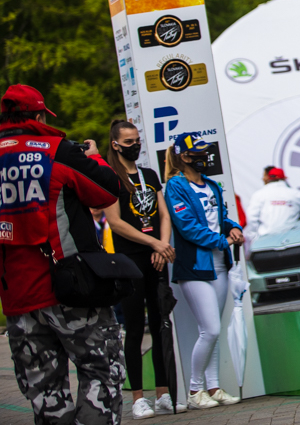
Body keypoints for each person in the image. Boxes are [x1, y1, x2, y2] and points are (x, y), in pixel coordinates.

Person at [0, 85, 126, 425]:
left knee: (45, 390)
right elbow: (107, 191)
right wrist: (94, 157)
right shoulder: (57, 150)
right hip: (70, 289)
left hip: (17, 297)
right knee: (102, 371)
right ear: (40, 116)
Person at [103, 120, 180, 419]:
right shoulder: (111, 177)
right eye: (128, 142)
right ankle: (137, 397)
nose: (134, 145)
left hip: (156, 258)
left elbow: (164, 214)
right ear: (115, 145)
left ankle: (163, 392)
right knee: (135, 328)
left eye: (137, 140)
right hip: (130, 260)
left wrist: (162, 245)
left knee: (161, 324)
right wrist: (154, 243)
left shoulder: (149, 175)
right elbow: (116, 222)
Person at [164, 133, 242, 409]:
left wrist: (234, 228)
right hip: (194, 266)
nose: (204, 157)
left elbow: (220, 218)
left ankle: (214, 387)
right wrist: (222, 241)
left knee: (213, 330)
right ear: (184, 156)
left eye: (205, 152)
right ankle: (195, 391)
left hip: (220, 265)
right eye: (197, 153)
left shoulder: (212, 185)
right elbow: (187, 226)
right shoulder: (175, 186)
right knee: (210, 329)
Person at [245, 166, 300, 243]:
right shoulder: (295, 194)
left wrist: (254, 237)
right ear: (284, 178)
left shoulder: (259, 194)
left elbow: (251, 217)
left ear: (268, 178)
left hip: (265, 239)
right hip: (291, 240)